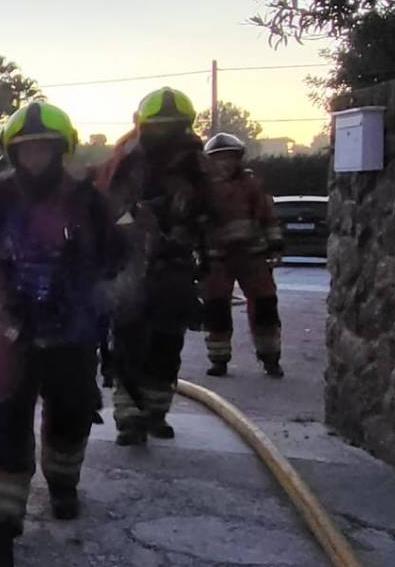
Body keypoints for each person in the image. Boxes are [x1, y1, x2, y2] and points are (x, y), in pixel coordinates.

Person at [0, 103, 114, 567]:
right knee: (6, 427)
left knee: (70, 418)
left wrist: (110, 312)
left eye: (44, 147)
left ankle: (63, 490)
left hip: (72, 335)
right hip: (11, 334)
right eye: (27, 149)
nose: (36, 156)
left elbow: (113, 262)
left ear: (62, 150)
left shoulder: (89, 200)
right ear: (14, 153)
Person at [99, 87, 209, 446]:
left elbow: (209, 215)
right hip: (130, 267)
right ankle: (129, 416)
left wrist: (205, 261)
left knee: (167, 342)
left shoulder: (196, 165)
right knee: (128, 341)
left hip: (174, 268)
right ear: (142, 126)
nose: (165, 134)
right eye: (159, 126)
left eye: (173, 126)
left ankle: (156, 411)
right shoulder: (124, 162)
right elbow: (108, 208)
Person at [200, 131, 284, 377]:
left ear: (238, 159)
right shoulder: (202, 189)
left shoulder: (251, 185)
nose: (224, 163)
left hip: (252, 256)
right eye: (219, 158)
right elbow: (193, 221)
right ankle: (218, 359)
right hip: (217, 258)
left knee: (265, 305)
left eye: (229, 157)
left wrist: (275, 246)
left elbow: (267, 218)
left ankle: (270, 357)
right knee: (216, 308)